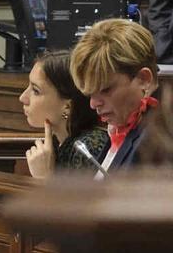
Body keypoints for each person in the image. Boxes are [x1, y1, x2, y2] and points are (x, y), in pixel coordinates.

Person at [67, 17, 160, 173]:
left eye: (105, 90)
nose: (93, 104)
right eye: (90, 94)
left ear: (144, 79)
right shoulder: (120, 129)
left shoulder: (159, 143)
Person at [19, 49, 108, 178]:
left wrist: (45, 178)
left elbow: (80, 199)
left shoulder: (89, 149)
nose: (23, 98)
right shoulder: (58, 143)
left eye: (36, 91)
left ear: (67, 106)